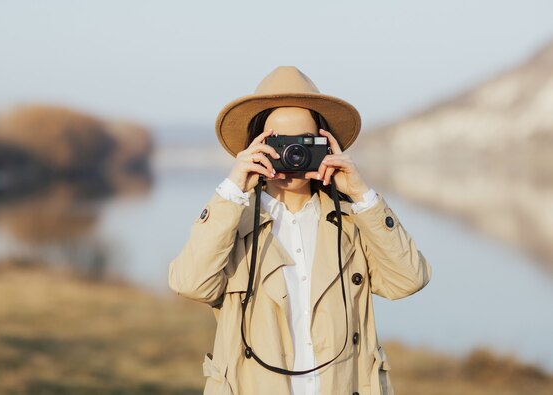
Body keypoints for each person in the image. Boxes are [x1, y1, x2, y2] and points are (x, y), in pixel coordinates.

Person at [168, 66, 431, 395]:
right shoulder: (231, 223)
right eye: (278, 142)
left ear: (325, 145)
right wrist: (233, 188)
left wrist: (363, 195)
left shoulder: (351, 223)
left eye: (303, 142)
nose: (291, 154)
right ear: (255, 146)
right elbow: (190, 283)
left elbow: (408, 279)